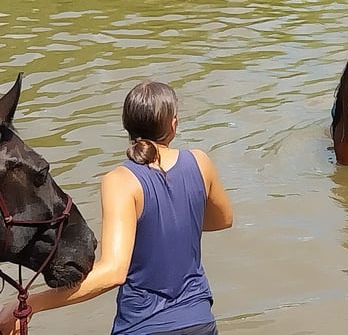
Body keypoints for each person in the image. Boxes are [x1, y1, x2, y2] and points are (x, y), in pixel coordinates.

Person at [0, 81, 233, 335]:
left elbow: (114, 272)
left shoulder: (120, 180)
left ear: (126, 125)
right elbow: (222, 219)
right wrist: (169, 221)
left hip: (144, 327)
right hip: (200, 322)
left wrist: (29, 304)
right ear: (173, 125)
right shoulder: (200, 161)